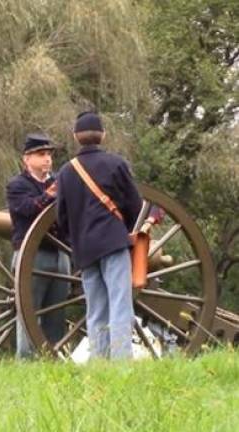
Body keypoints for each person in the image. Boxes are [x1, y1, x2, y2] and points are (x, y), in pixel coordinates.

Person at [56, 112, 142, 360]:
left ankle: (100, 363)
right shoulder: (116, 164)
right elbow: (134, 206)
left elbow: (61, 217)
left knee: (96, 310)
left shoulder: (65, 172)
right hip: (114, 242)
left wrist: (76, 241)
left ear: (76, 137)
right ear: (103, 136)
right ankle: (122, 363)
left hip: (84, 249)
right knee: (120, 304)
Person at [6, 133, 71, 358]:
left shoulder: (58, 183)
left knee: (56, 314)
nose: (47, 160)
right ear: (27, 159)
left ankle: (53, 358)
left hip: (60, 255)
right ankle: (26, 362)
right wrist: (50, 194)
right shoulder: (17, 185)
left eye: (49, 155)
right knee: (28, 313)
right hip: (32, 256)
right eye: (41, 155)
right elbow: (27, 210)